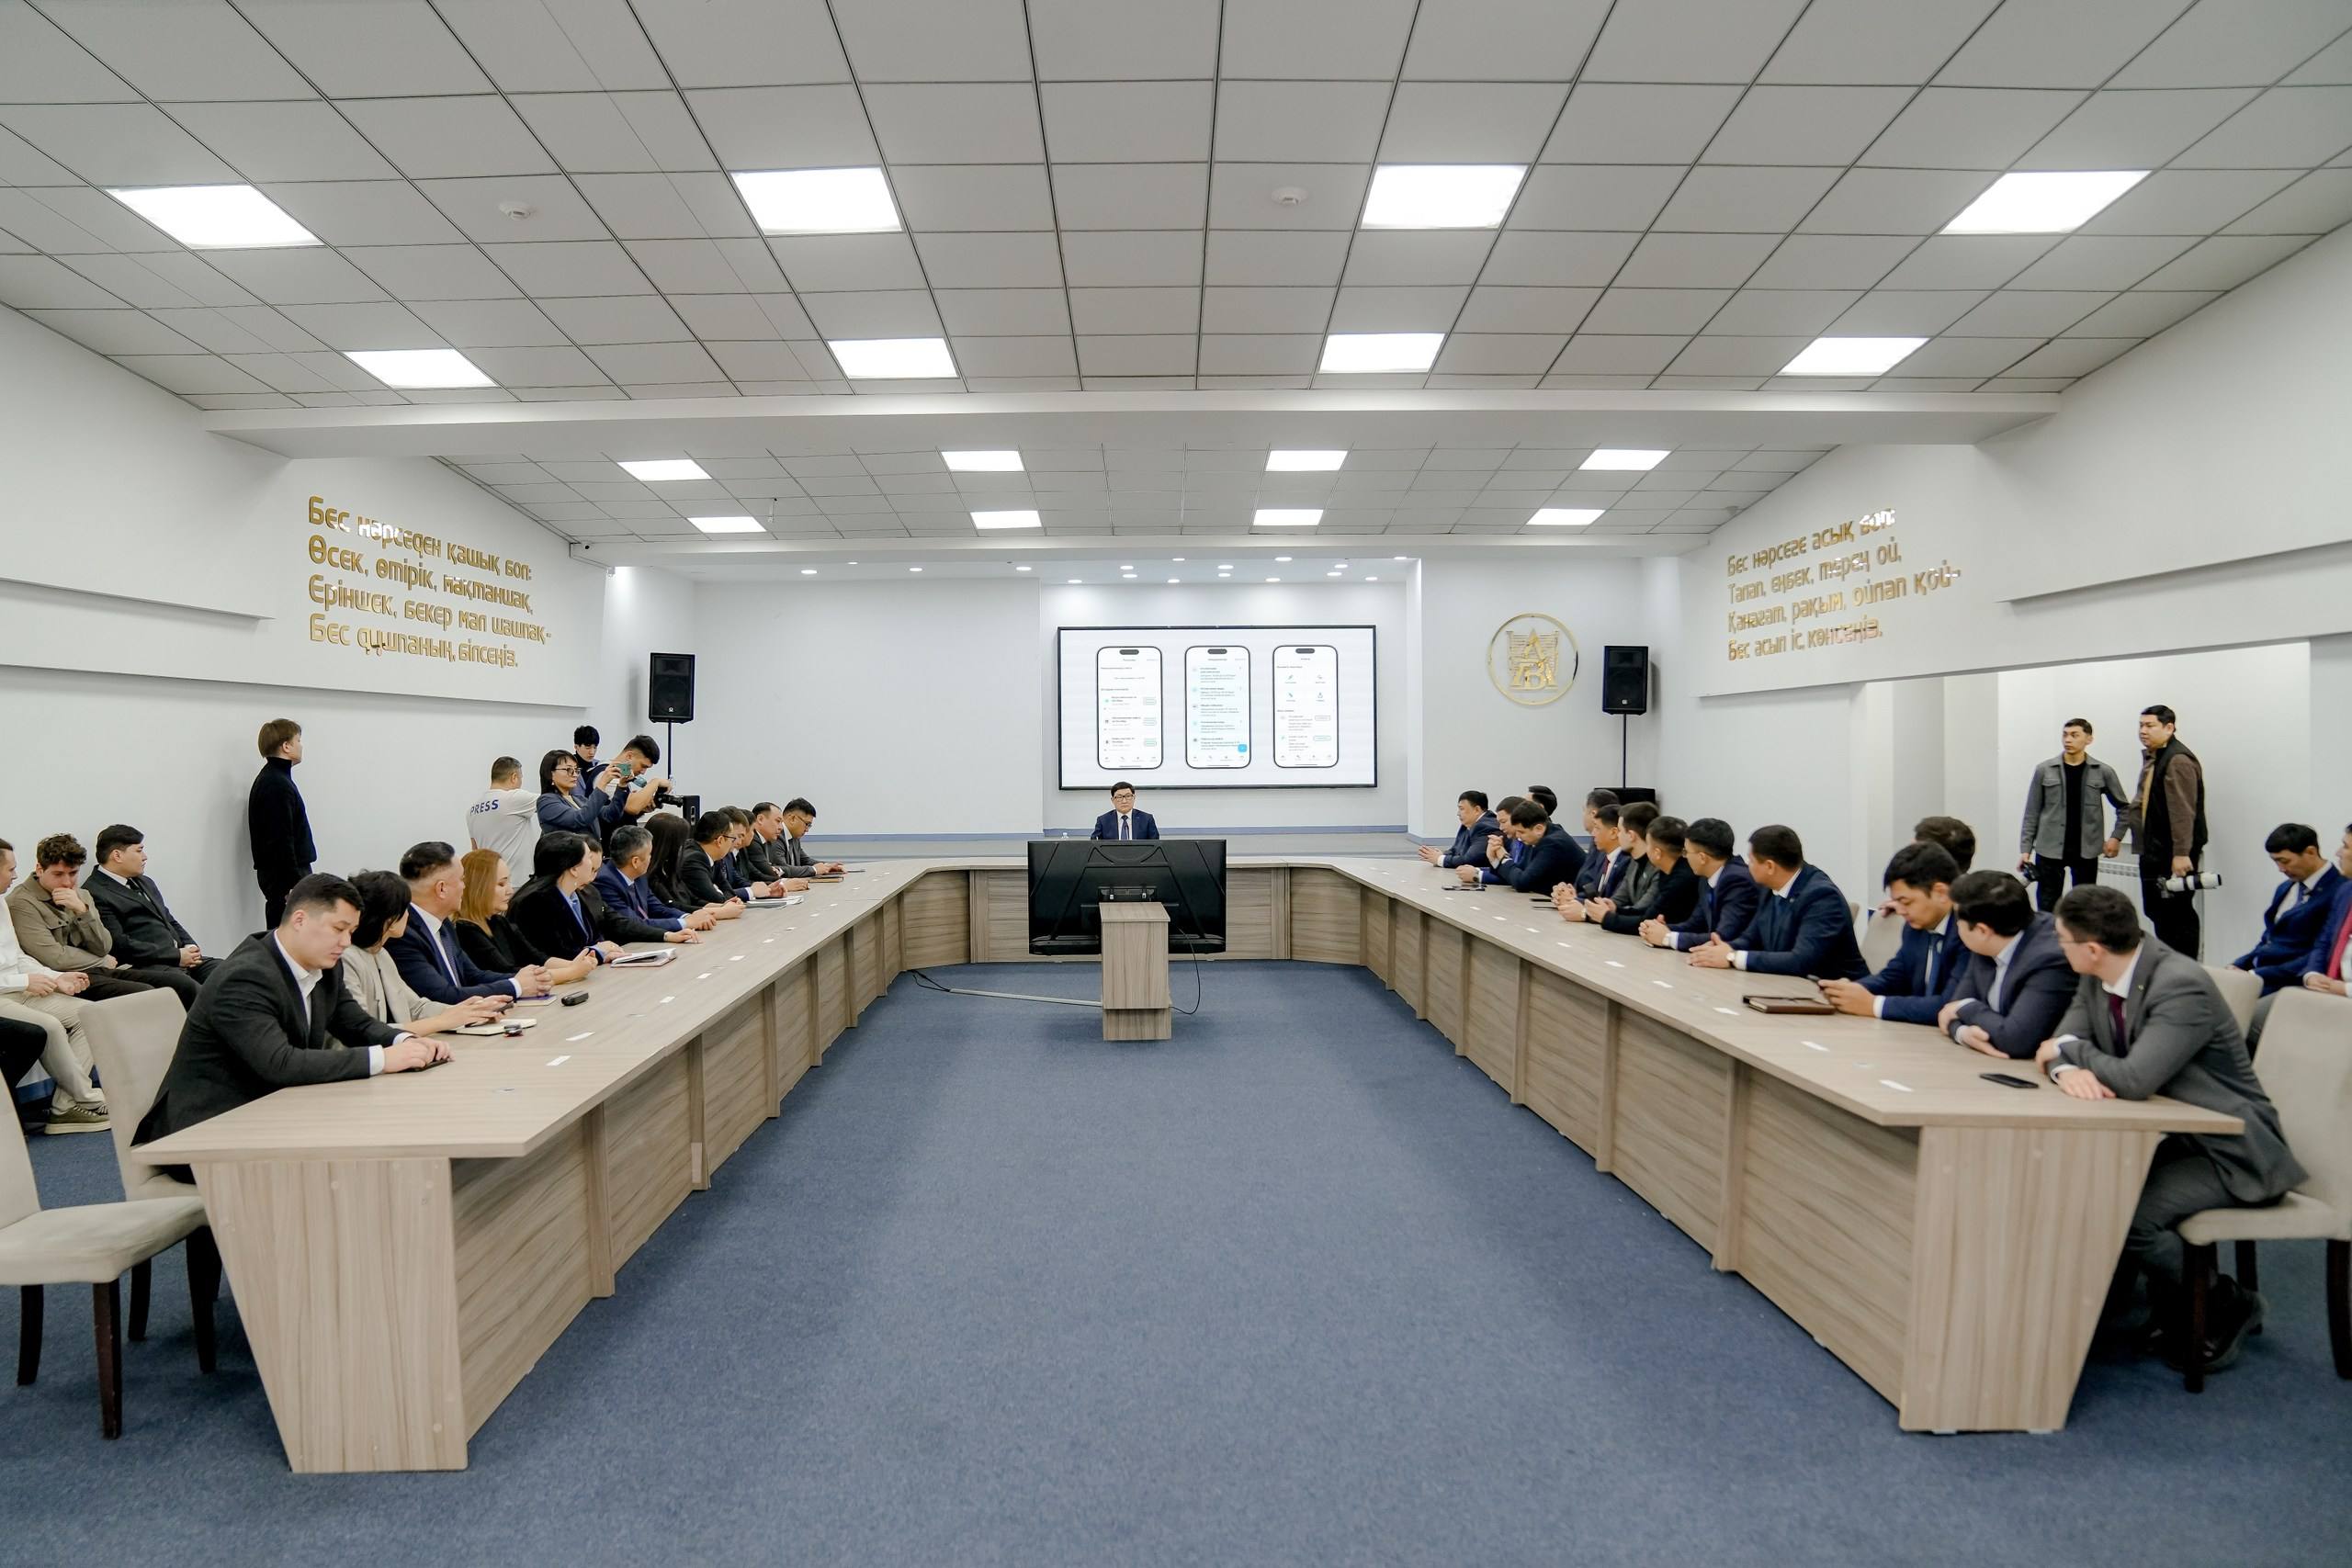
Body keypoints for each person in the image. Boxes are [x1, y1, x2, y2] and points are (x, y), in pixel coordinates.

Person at [2036, 885, 2303, 1374]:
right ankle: (2165, 1306)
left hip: (2232, 1151)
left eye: (2062, 940)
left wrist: (2070, 1053)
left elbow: (2133, 1079)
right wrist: (2067, 1066)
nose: (2058, 947)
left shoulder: (2180, 985)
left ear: (2092, 948)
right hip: (2177, 1138)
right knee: (2096, 1192)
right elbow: (2056, 1044)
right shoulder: (2098, 975)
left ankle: (2225, 1301)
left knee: (2130, 1218)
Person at [133, 874, 449, 1155]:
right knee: (368, 1144)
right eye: (339, 929)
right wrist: (383, 1059)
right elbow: (280, 1063)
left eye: (351, 931)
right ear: (300, 920)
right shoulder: (244, 977)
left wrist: (405, 1041)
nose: (346, 942)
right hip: (208, 1130)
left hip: (273, 1112)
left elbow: (355, 1024)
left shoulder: (325, 965)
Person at [0, 838, 109, 1133]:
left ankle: (64, 1106)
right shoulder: (16, 901)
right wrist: (25, 981)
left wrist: (54, 978)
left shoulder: (0, 903)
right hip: (4, 995)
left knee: (90, 1015)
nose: (15, 875)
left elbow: (17, 957)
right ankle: (88, 1098)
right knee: (48, 1026)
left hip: (19, 988)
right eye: (10, 869)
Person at [337, 871, 509, 1034]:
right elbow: (365, 1032)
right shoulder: (347, 959)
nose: (409, 915)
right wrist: (444, 1021)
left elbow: (416, 1007)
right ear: (391, 920)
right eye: (405, 909)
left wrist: (471, 1011)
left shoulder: (381, 954)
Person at [1686, 825, 1867, 978]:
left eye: (1751, 860)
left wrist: (1733, 957)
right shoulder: (1769, 887)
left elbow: (1801, 961)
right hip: (1786, 986)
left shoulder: (1821, 897)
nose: (1747, 866)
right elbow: (1751, 938)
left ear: (1770, 866)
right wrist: (1724, 949)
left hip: (1834, 993)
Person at [389, 841, 555, 1005]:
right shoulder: (403, 934)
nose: (465, 887)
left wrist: (526, 979)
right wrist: (516, 986)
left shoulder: (443, 923)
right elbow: (443, 996)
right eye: (461, 880)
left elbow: (473, 976)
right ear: (442, 889)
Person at [1936, 870, 2075, 1059]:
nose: (1956, 926)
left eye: (1957, 920)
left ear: (1982, 931)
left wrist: (1966, 1009)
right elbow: (1951, 1010)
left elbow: (2016, 1041)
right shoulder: (1986, 943)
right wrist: (1962, 1034)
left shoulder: (2050, 960)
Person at [1821, 841, 1965, 1021]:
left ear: (1941, 893)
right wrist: (1847, 991)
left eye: (1906, 902)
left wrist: (1874, 1005)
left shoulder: (1968, 931)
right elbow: (1894, 977)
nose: (1901, 911)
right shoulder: (1915, 928)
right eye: (1897, 902)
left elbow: (1951, 1005)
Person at [7, 834, 163, 1000]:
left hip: (95, 970)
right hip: (61, 977)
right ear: (40, 869)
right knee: (144, 993)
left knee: (173, 983)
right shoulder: (21, 902)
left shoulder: (82, 895)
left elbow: (103, 946)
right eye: (58, 874)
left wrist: (82, 911)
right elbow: (55, 958)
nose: (67, 882)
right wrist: (100, 961)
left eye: (73, 873)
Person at [513, 831, 702, 958]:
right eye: (588, 859)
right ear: (574, 868)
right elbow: (553, 954)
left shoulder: (585, 892)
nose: (598, 868)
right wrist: (597, 952)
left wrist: (666, 935)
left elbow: (617, 922)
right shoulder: (536, 902)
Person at [83, 823, 219, 998]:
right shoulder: (94, 892)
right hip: (148, 964)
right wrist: (176, 955)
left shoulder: (145, 881)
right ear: (117, 855)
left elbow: (168, 918)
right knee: (191, 989)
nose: (145, 857)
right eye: (139, 851)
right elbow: (120, 944)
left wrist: (190, 946)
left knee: (229, 972)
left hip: (180, 957)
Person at [2120, 704, 2208, 956]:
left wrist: (2181, 854)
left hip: (2170, 854)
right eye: (2141, 725)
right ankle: (2169, 965)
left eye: (2150, 726)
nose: (2143, 731)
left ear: (2169, 728)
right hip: (2154, 850)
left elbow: (2182, 812)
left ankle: (2183, 967)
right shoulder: (2156, 757)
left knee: (2176, 914)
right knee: (2158, 911)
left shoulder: (2177, 760)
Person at [2017, 718, 2129, 909]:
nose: (2068, 740)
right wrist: (2025, 850)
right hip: (2049, 849)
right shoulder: (2044, 770)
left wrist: (2116, 837)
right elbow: (2032, 811)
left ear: (2088, 739)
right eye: (2065, 735)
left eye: (2075, 735)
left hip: (2086, 850)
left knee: (2085, 906)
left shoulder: (2103, 771)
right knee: (2047, 904)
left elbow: (2124, 808)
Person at [452, 849, 599, 986]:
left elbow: (537, 957)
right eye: (501, 884)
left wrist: (576, 964)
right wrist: (571, 972)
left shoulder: (498, 921)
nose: (510, 890)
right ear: (479, 887)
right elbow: (508, 974)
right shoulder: (466, 931)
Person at [2233, 823, 2343, 995]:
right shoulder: (2285, 887)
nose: (2281, 869)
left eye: (2285, 861)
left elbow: (2321, 951)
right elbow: (2268, 939)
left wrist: (2257, 975)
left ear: (2311, 852)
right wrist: (2238, 965)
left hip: (2290, 981)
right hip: (2258, 974)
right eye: (2276, 862)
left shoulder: (2340, 891)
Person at [1642, 818, 1760, 952]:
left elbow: (1723, 937)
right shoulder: (1706, 878)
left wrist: (1668, 938)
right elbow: (1696, 924)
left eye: (1686, 852)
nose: (1685, 857)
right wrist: (1661, 929)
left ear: (1702, 858)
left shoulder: (1738, 880)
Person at [247, 716, 314, 928]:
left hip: (287, 876)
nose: (301, 746)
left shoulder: (276, 779)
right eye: (298, 741)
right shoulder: (276, 784)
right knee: (287, 933)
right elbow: (280, 840)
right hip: (286, 879)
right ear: (286, 746)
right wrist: (293, 884)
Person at [595, 824, 720, 936]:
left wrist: (688, 916)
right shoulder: (605, 882)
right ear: (635, 862)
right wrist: (685, 923)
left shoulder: (639, 876)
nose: (651, 858)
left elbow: (657, 908)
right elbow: (634, 923)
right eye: (649, 854)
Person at [1586, 815, 1700, 935]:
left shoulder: (1681, 879)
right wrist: (1615, 910)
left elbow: (1647, 919)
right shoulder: (1669, 871)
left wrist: (1606, 918)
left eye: (1648, 845)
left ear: (1657, 853)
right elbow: (1649, 911)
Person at [1458, 799, 1583, 895]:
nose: (1518, 836)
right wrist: (1494, 860)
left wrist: (1503, 858)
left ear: (1539, 829)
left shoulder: (1552, 843)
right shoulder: (1536, 837)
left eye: (1521, 832)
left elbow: (1522, 882)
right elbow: (1518, 871)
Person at [1555, 804, 1655, 925]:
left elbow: (1640, 912)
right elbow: (1614, 902)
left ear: (1631, 835)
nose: (1618, 835)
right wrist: (1576, 900)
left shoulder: (1646, 866)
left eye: (1620, 831)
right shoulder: (1634, 862)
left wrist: (1587, 913)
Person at [2294, 823, 2352, 998]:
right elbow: (2324, 941)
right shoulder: (2346, 891)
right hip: (2328, 991)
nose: (2338, 853)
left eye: (2345, 847)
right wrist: (2312, 974)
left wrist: (2345, 989)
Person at [593, 733, 674, 839]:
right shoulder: (607, 774)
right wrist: (655, 782)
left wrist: (643, 808)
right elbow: (632, 807)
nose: (643, 772)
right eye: (643, 766)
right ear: (629, 756)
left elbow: (622, 811)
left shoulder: (623, 775)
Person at [469, 755, 543, 869]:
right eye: (521, 778)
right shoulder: (514, 798)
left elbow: (475, 850)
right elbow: (552, 803)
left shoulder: (472, 811)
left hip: (491, 876)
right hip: (519, 878)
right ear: (514, 777)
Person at [678, 812, 752, 913]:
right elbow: (713, 897)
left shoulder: (714, 857)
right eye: (732, 839)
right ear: (720, 840)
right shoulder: (693, 859)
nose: (734, 843)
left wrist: (731, 901)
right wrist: (728, 902)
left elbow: (728, 890)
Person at [1419, 790, 1499, 868]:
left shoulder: (1486, 827)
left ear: (1477, 810)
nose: (1458, 813)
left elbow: (1471, 860)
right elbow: (1455, 850)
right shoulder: (1468, 824)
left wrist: (1440, 859)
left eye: (1461, 809)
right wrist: (1441, 855)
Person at [535, 749, 602, 836]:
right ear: (551, 774)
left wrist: (619, 788)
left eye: (576, 770)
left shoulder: (579, 798)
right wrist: (602, 784)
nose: (575, 775)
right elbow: (580, 819)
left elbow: (608, 814)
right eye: (569, 770)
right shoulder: (546, 801)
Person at [772, 797, 845, 876]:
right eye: (807, 824)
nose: (807, 830)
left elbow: (805, 860)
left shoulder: (794, 837)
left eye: (809, 825)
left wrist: (827, 866)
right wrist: (814, 870)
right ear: (792, 818)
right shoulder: (775, 836)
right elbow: (782, 870)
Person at [1571, 803, 1627, 900]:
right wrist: (1572, 897)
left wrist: (1577, 902)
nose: (1593, 834)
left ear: (1613, 833)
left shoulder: (1625, 862)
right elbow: (1595, 894)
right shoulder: (1603, 858)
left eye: (1597, 828)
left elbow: (1611, 902)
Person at [1092, 782, 1158, 841]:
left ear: (1134, 798)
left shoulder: (1147, 819)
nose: (1124, 801)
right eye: (1119, 797)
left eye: (1128, 796)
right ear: (1112, 800)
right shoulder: (1103, 821)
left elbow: (1155, 844)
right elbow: (1094, 844)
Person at [569, 725, 603, 805]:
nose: (592, 752)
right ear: (576, 747)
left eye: (595, 747)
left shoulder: (600, 766)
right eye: (588, 747)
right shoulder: (567, 768)